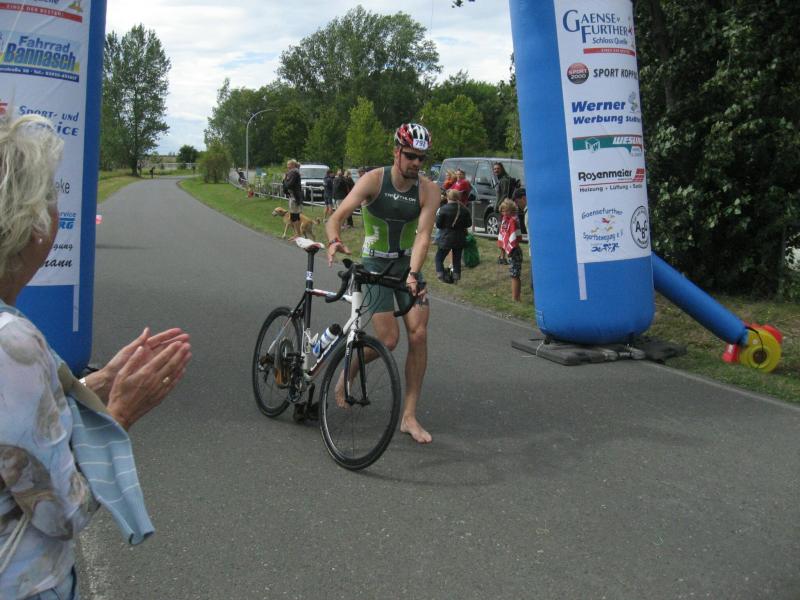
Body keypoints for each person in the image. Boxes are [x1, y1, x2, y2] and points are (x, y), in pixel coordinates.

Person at [0, 113, 192, 599]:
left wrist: (100, 381)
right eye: (51, 195)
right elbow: (65, 511)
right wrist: (121, 412)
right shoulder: (12, 347)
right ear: (32, 224)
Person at [325, 123, 439, 444]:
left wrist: (414, 273)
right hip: (375, 266)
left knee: (419, 334)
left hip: (406, 266)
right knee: (388, 340)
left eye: (422, 158)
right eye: (411, 156)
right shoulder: (374, 180)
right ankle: (350, 371)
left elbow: (423, 236)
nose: (416, 163)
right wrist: (334, 240)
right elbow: (336, 217)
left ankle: (409, 417)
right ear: (396, 152)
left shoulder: (429, 190)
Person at [434, 188, 472, 284]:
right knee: (457, 259)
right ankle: (456, 277)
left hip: (446, 237)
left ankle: (441, 274)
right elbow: (469, 224)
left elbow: (438, 225)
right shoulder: (464, 209)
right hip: (460, 237)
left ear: (448, 197)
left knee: (439, 257)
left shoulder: (443, 209)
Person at [497, 199, 523, 302]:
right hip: (511, 252)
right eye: (502, 210)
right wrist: (502, 250)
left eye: (506, 210)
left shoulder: (513, 221)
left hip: (515, 251)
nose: (504, 213)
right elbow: (503, 235)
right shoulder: (505, 220)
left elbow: (516, 238)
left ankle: (516, 298)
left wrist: (509, 246)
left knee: (515, 275)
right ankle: (515, 297)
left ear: (512, 210)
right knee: (513, 275)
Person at [281, 159, 303, 239]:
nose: (287, 166)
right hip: (293, 196)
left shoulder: (294, 173)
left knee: (294, 216)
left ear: (293, 165)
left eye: (289, 165)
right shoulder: (294, 172)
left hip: (294, 197)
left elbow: (289, 185)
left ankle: (298, 235)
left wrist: (284, 179)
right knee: (295, 215)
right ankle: (297, 234)